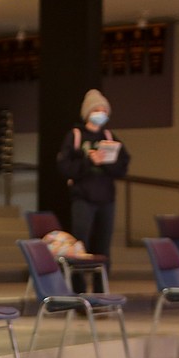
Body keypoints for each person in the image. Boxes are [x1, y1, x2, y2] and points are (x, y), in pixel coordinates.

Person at [57, 89, 131, 292]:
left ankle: (101, 293)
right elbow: (64, 167)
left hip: (106, 198)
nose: (101, 113)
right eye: (97, 109)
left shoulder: (109, 136)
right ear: (88, 112)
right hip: (83, 198)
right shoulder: (76, 135)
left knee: (104, 248)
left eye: (104, 110)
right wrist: (88, 160)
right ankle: (79, 291)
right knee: (81, 246)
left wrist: (106, 161)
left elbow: (122, 166)